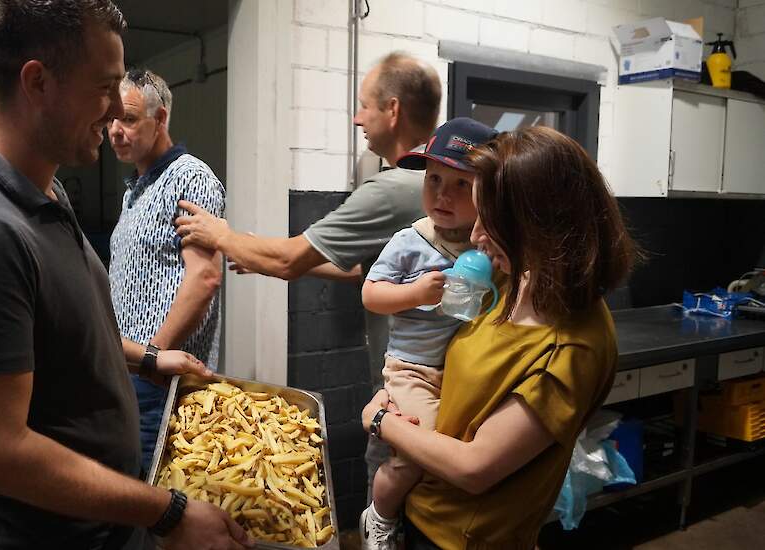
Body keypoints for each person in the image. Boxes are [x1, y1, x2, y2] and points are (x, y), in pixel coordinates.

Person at [0, 2, 252, 549]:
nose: (117, 108)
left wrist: (146, 356)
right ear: (38, 82)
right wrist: (165, 511)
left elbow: (65, 332)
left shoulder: (46, 190)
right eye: (105, 87)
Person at [174, 51, 443, 490]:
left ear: (393, 111)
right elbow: (366, 269)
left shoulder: (395, 188)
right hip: (436, 388)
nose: (358, 119)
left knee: (393, 500)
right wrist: (271, 263)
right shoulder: (435, 182)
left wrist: (218, 233)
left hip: (407, 394)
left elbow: (287, 257)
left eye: (365, 106)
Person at [360, 126, 638, 550]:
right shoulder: (515, 278)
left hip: (459, 537)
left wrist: (381, 421)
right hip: (420, 509)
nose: (474, 237)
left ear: (542, 226)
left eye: (491, 222)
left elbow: (476, 467)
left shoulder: (572, 346)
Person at [358, 118, 498, 550]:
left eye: (461, 184)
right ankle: (379, 515)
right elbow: (370, 294)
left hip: (456, 372)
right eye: (434, 179)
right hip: (412, 368)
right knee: (425, 449)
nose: (442, 193)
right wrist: (414, 291)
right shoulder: (411, 240)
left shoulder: (488, 246)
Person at [107, 68, 225, 472]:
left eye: (128, 118)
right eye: (111, 118)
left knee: (152, 502)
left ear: (159, 120)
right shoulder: (135, 189)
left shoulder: (190, 178)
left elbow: (205, 277)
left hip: (159, 382)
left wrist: (151, 358)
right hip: (128, 371)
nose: (115, 130)